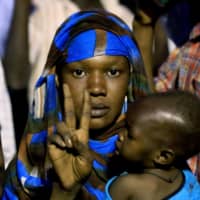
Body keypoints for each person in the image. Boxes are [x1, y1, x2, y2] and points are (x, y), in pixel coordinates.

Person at [2, 10, 150, 199]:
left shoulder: (154, 154)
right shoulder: (33, 161)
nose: (96, 88)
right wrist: (64, 192)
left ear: (130, 78)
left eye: (113, 72)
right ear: (57, 77)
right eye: (79, 72)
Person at [105, 91, 200, 200]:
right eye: (124, 125)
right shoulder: (185, 174)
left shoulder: (127, 185)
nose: (120, 135)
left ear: (163, 156)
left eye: (130, 135)